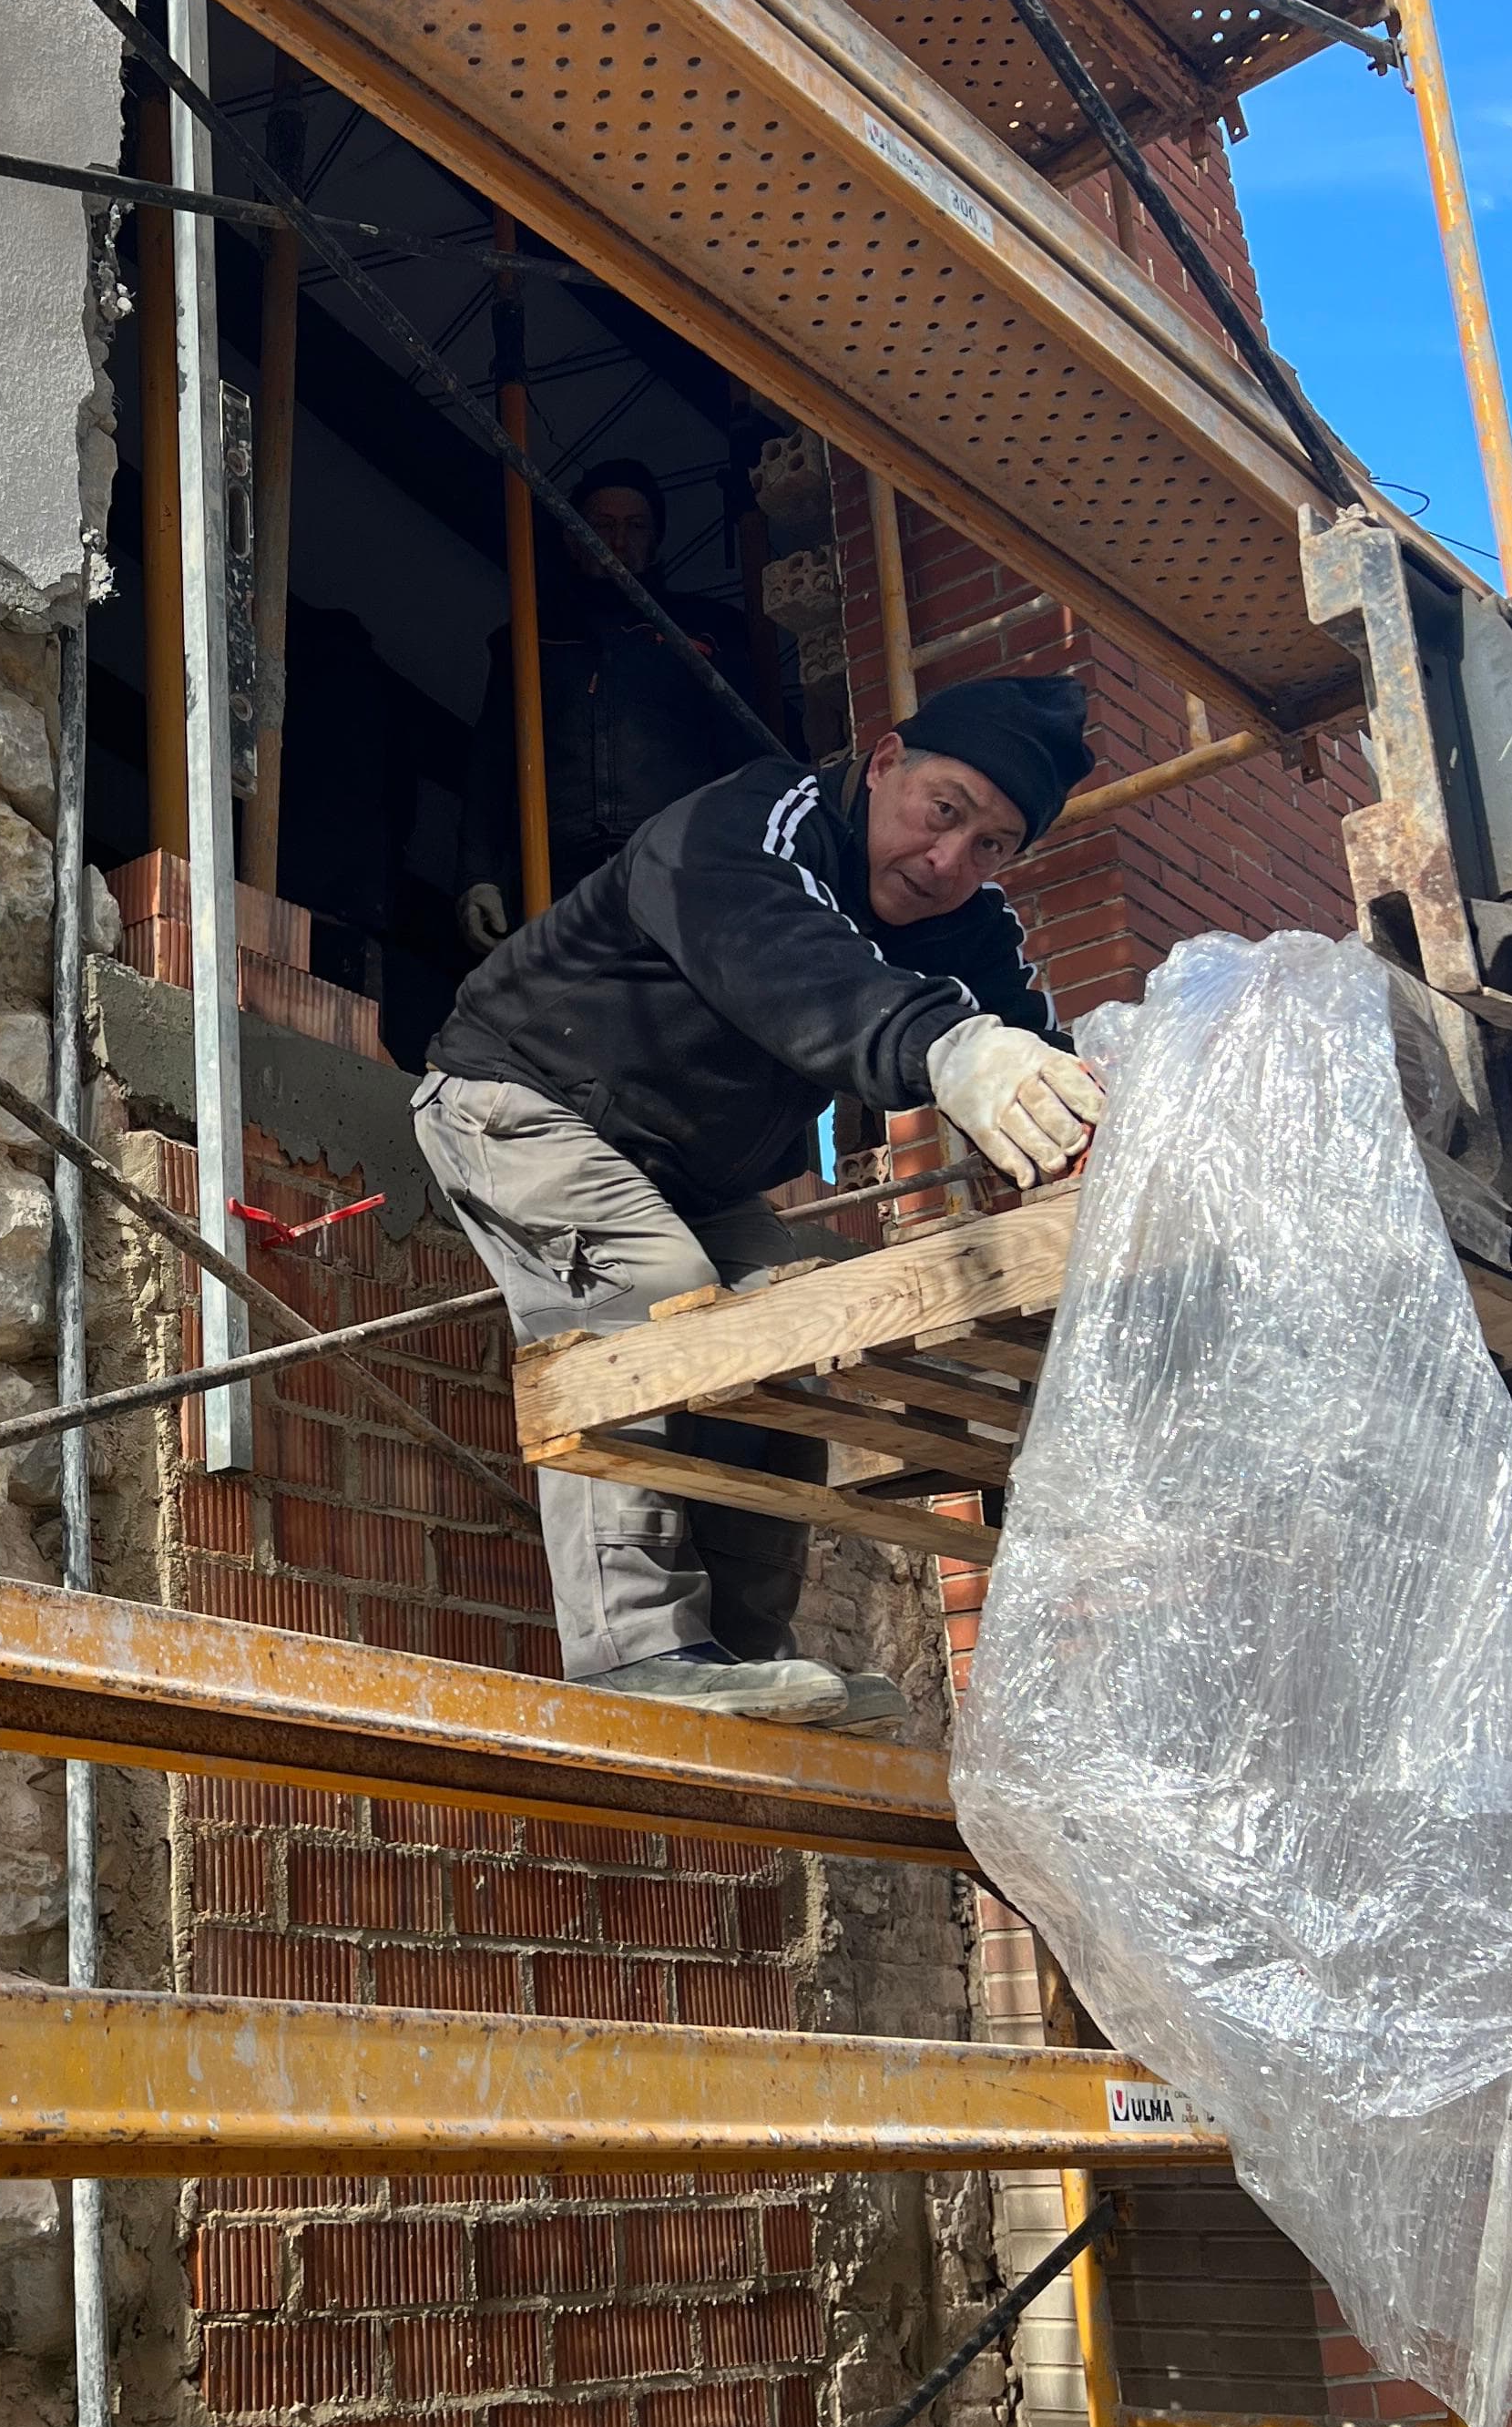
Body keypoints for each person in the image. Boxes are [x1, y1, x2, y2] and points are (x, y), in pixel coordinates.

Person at [414, 674, 1101, 1726]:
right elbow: (788, 964)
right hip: (519, 1098)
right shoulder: (747, 825)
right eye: (944, 811)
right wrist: (946, 1048)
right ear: (882, 764)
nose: (948, 861)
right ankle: (633, 1652)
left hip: (687, 1173)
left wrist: (1106, 1125)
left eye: (992, 846)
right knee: (654, 1294)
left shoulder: (966, 930)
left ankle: (736, 1662)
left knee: (786, 1331)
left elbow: (1047, 1056)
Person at [456, 459, 766, 957]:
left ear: (656, 540)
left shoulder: (708, 632)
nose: (618, 540)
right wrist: (478, 877)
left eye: (636, 526)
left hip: (676, 868)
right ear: (573, 539)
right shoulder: (532, 638)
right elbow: (491, 767)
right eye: (601, 525)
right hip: (553, 876)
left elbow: (748, 761)